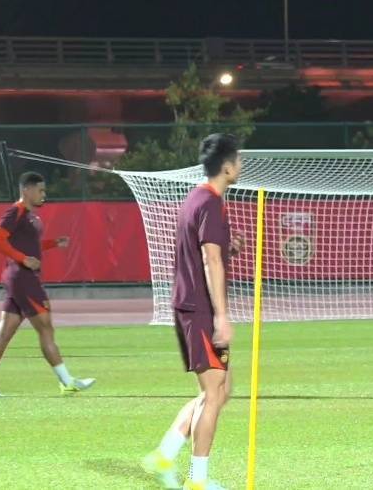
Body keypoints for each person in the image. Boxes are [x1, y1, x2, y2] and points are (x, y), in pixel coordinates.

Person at [141, 134, 245, 490]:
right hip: (200, 309)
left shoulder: (196, 198)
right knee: (214, 394)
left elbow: (208, 249)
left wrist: (228, 246)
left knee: (221, 389)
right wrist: (222, 317)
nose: (241, 166)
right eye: (238, 161)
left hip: (191, 305)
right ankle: (197, 480)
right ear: (227, 167)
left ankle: (165, 454)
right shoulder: (211, 203)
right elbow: (209, 258)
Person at [0, 171, 94, 397]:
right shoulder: (15, 211)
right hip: (24, 278)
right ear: (26, 190)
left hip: (17, 278)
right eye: (40, 190)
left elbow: (30, 246)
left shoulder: (30, 217)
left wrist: (53, 243)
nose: (44, 194)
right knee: (45, 328)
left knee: (5, 332)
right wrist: (23, 259)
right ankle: (67, 382)